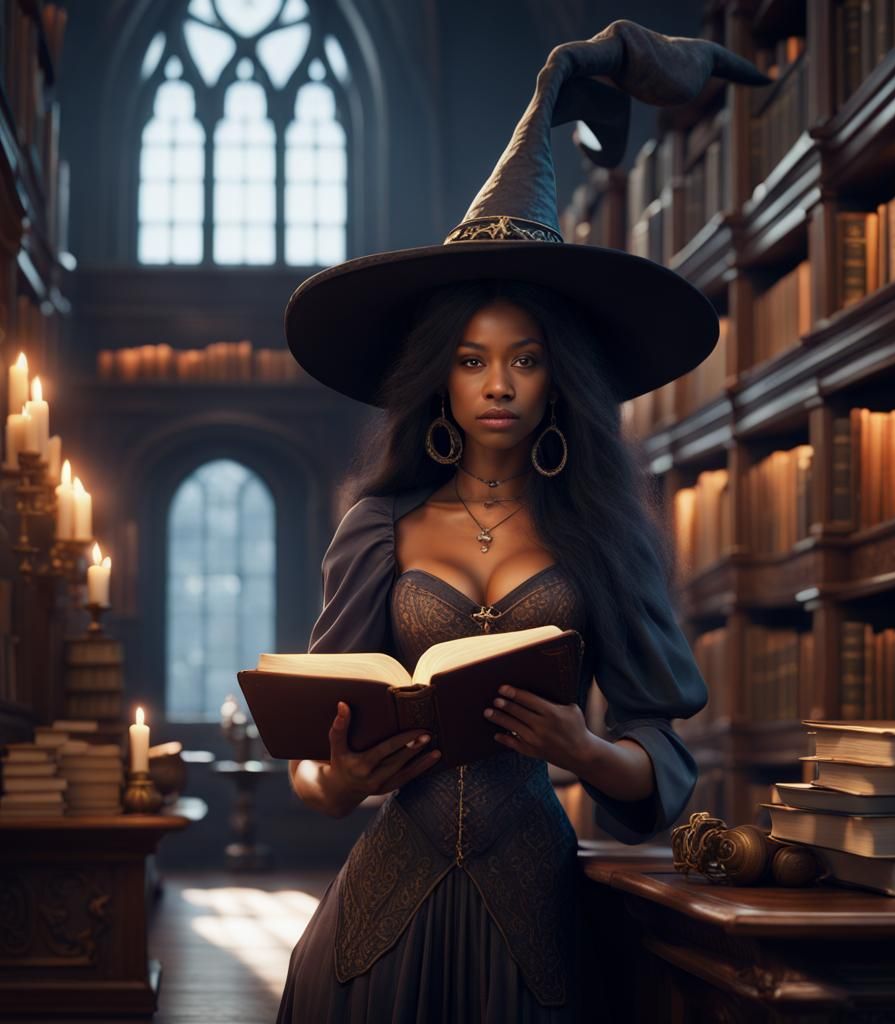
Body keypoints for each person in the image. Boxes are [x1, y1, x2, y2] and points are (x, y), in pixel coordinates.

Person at [274, 20, 767, 1024]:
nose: (497, 383)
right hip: (377, 929)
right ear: (438, 380)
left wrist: (584, 753)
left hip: (542, 916)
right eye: (469, 359)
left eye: (525, 357)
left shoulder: (601, 535)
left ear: (560, 380)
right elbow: (309, 756)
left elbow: (663, 758)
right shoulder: (379, 524)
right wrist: (336, 780)